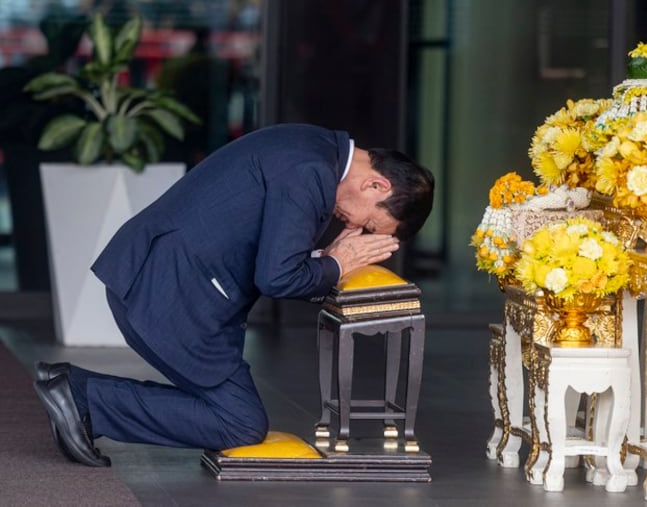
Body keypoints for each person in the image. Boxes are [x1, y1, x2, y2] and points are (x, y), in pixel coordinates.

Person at [32, 123, 435, 466]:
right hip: (171, 294)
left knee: (229, 411)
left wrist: (327, 259)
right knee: (238, 422)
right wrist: (336, 265)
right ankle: (81, 394)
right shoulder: (311, 172)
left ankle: (79, 391)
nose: (356, 230)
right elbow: (276, 277)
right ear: (375, 184)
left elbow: (272, 248)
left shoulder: (314, 149)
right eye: (369, 223)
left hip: (162, 281)